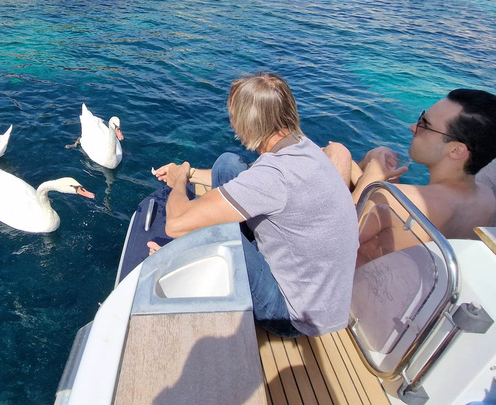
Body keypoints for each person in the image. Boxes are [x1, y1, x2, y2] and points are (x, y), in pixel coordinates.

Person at [151, 73, 359, 338]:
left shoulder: (274, 177)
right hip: (320, 299)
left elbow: (176, 222)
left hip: (292, 314)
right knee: (227, 164)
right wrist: (190, 173)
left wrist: (180, 179)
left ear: (249, 124)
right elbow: (253, 182)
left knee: (216, 235)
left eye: (233, 116)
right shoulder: (302, 148)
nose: (231, 122)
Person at [325, 89, 496, 239]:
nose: (413, 127)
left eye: (425, 125)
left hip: (351, 270)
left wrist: (371, 181)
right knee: (362, 158)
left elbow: (327, 239)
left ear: (456, 151)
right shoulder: (487, 198)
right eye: (420, 117)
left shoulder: (396, 201)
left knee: (337, 152)